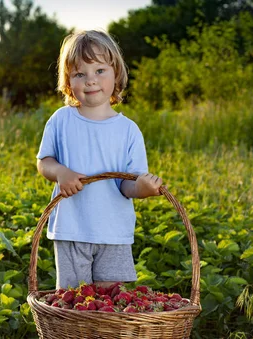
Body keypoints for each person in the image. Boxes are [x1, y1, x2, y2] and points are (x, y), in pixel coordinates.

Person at [36, 30, 163, 290]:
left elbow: (127, 184)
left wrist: (144, 189)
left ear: (116, 73)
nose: (90, 81)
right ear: (69, 81)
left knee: (110, 301)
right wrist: (60, 172)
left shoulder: (128, 130)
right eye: (80, 74)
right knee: (74, 301)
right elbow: (44, 161)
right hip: (72, 228)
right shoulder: (61, 120)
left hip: (113, 232)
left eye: (100, 71)